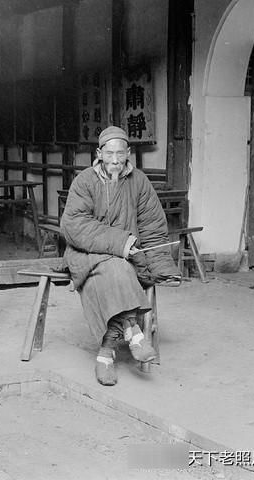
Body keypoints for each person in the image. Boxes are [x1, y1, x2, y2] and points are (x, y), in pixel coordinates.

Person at [60, 126, 180, 386]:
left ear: (128, 154)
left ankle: (106, 352)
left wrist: (162, 266)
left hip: (123, 258)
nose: (115, 160)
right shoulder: (84, 181)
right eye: (109, 154)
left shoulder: (138, 182)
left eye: (121, 154)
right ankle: (133, 330)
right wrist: (121, 242)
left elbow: (152, 226)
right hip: (85, 253)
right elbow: (74, 225)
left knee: (117, 268)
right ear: (99, 153)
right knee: (117, 267)